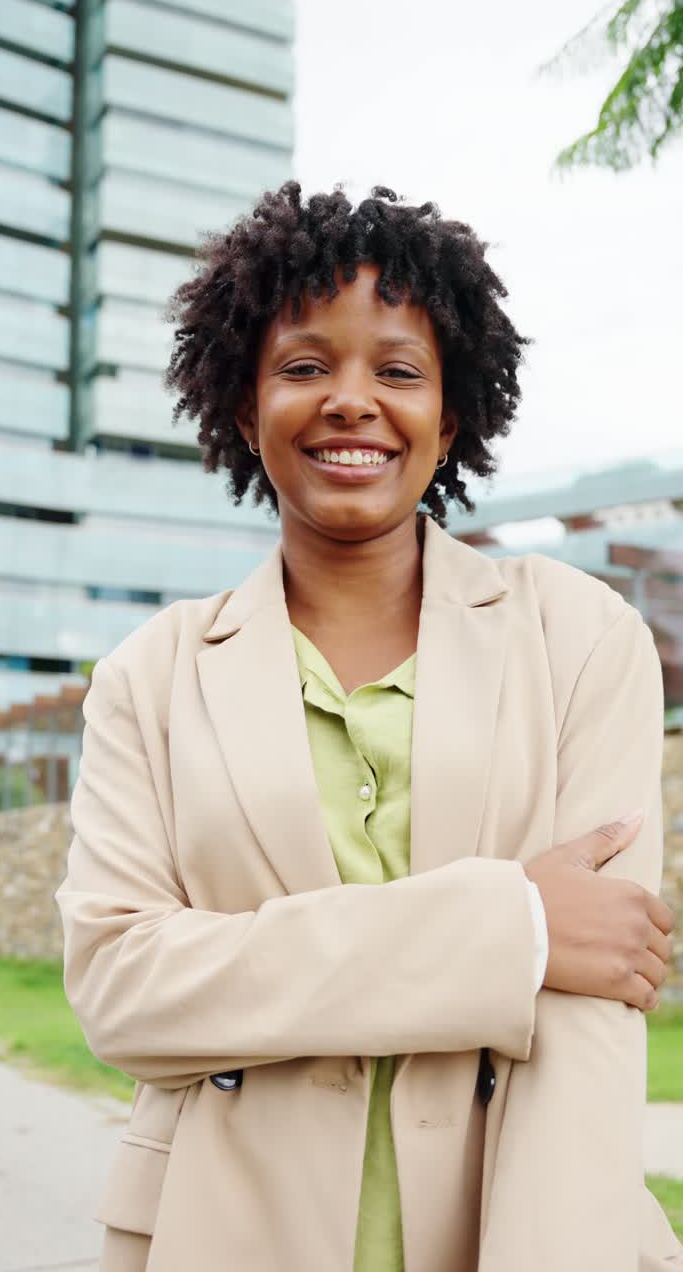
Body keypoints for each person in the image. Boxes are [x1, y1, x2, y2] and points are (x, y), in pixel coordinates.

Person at [56, 181, 680, 1272]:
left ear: (453, 413)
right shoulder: (148, 679)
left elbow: (594, 1012)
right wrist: (515, 930)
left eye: (398, 369)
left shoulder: (580, 637)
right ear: (245, 409)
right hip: (217, 1233)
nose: (352, 399)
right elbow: (123, 987)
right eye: (304, 366)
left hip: (516, 1225)